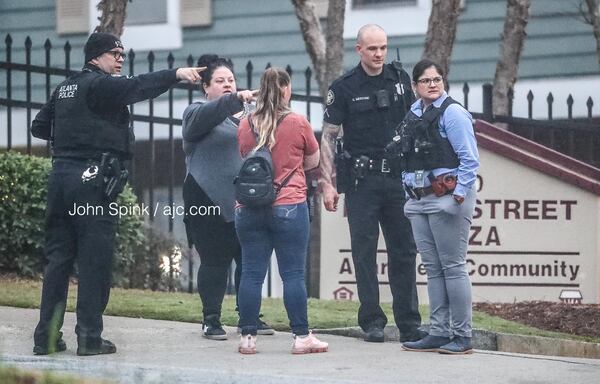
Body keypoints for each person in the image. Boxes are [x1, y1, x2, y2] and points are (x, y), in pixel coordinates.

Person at [30, 32, 204, 356]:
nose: (120, 58)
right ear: (96, 57)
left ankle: (47, 337)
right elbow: (138, 87)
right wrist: (176, 74)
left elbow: (39, 127)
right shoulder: (99, 84)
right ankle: (89, 338)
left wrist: (75, 132)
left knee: (58, 260)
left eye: (123, 53)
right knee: (94, 260)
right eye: (115, 53)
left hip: (61, 178)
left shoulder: (65, 88)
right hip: (92, 178)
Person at [319, 24, 424, 343]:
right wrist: (327, 182)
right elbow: (328, 136)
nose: (379, 54)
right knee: (363, 252)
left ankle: (409, 322)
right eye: (373, 48)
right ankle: (372, 321)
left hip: (397, 178)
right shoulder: (345, 87)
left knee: (404, 250)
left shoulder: (401, 80)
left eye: (383, 48)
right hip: (362, 182)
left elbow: (415, 126)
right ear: (359, 50)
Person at [235, 67, 327, 355]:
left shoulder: (245, 123)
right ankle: (301, 336)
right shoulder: (298, 122)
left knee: (251, 273)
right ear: (286, 89)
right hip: (289, 204)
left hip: (249, 206)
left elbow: (243, 156)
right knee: (293, 275)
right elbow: (313, 161)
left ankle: (247, 338)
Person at [181, 54, 273, 340]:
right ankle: (211, 319)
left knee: (249, 261)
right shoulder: (196, 112)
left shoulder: (251, 114)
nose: (227, 85)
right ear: (206, 87)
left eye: (230, 80)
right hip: (205, 199)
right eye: (219, 81)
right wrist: (234, 101)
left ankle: (249, 315)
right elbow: (208, 117)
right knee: (215, 261)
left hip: (248, 200)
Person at [399, 59, 479, 355]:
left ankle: (462, 335)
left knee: (453, 267)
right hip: (420, 199)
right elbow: (406, 157)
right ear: (414, 86)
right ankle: (439, 331)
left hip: (448, 197)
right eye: (425, 80)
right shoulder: (413, 113)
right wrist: (406, 188)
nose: (432, 84)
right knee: (433, 269)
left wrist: (458, 195)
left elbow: (470, 159)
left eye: (437, 79)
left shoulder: (453, 113)